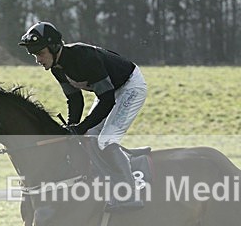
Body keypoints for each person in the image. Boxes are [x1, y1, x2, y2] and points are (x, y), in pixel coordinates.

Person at [18, 21, 147, 211]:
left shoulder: (84, 58)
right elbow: (75, 100)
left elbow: (107, 100)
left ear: (54, 47)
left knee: (104, 141)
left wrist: (81, 126)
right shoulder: (57, 68)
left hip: (129, 88)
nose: (37, 59)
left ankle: (130, 194)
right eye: (34, 55)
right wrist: (72, 127)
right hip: (110, 92)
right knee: (88, 138)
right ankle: (109, 184)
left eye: (40, 53)